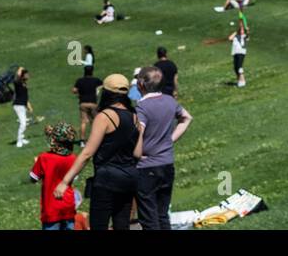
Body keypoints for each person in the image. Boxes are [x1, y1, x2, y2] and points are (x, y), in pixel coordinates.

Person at [54, 74, 144, 230]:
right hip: (129, 178)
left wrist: (64, 182)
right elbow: (137, 153)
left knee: (98, 225)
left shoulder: (105, 117)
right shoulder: (135, 117)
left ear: (106, 92)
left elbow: (87, 153)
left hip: (107, 180)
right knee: (122, 225)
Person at [134, 64, 193, 229]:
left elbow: (139, 132)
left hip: (147, 167)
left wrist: (137, 154)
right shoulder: (169, 100)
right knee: (162, 214)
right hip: (167, 164)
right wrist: (170, 140)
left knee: (148, 217)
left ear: (140, 85)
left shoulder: (142, 107)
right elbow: (187, 118)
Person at [28, 122, 78, 229]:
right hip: (68, 205)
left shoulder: (44, 158)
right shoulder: (73, 158)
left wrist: (37, 162)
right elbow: (74, 177)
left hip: (51, 207)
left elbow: (33, 178)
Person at [72, 67, 101, 142]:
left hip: (83, 103)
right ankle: (95, 139)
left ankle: (82, 140)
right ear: (92, 72)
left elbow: (74, 90)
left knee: (83, 122)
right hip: (93, 103)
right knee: (95, 122)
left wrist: (79, 93)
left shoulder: (80, 81)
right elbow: (103, 85)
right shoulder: (95, 80)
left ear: (84, 71)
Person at [13, 67, 34, 147]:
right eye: (26, 74)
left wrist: (29, 106)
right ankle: (19, 141)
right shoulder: (18, 82)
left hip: (23, 105)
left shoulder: (24, 83)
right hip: (18, 105)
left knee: (24, 123)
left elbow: (25, 96)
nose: (28, 75)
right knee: (23, 124)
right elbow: (16, 77)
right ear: (22, 76)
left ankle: (22, 138)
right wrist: (20, 69)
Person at [229, 13, 249, 88]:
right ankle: (239, 80)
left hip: (241, 52)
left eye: (242, 30)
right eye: (240, 30)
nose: (241, 31)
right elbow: (229, 38)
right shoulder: (235, 36)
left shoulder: (244, 37)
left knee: (240, 67)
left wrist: (246, 29)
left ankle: (243, 81)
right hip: (235, 53)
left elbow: (247, 34)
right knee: (235, 67)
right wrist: (236, 31)